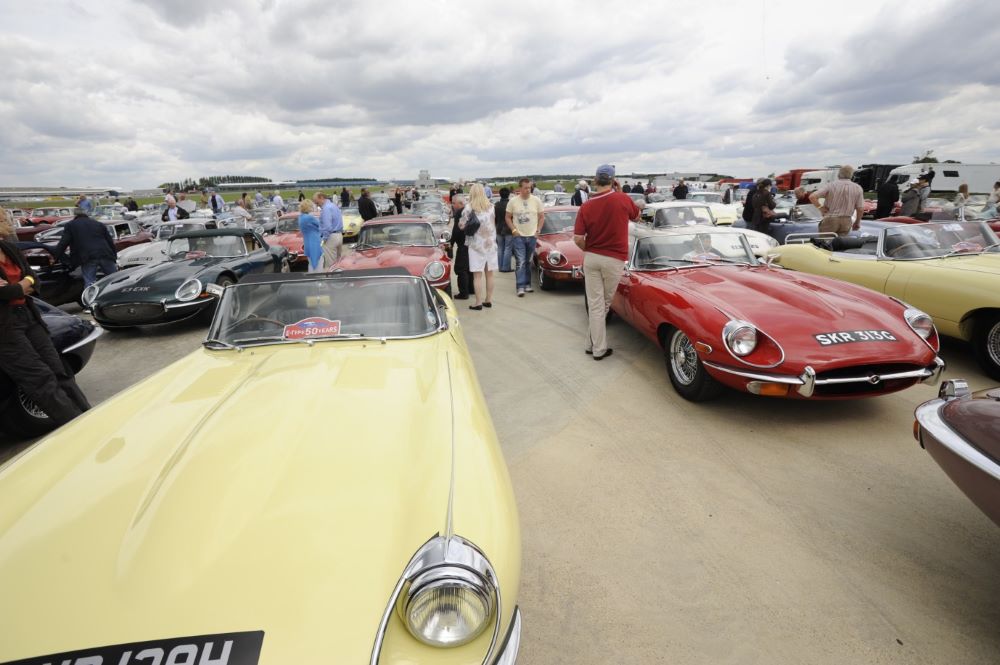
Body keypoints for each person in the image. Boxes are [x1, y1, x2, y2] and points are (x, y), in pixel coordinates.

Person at [0, 218, 91, 427]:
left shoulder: (8, 248)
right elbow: (7, 292)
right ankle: (78, 428)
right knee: (39, 378)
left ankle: (90, 416)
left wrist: (24, 283)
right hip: (5, 327)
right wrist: (21, 285)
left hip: (28, 315)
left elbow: (33, 277)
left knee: (59, 370)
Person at [573, 164, 640, 361]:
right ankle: (599, 349)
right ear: (613, 180)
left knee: (596, 304)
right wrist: (620, 192)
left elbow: (577, 238)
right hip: (614, 258)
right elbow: (636, 216)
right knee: (603, 305)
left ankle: (591, 344)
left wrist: (589, 249)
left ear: (595, 181)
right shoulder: (622, 199)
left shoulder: (586, 206)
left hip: (592, 257)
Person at [54, 207, 117, 288]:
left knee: (90, 282)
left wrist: (56, 257)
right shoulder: (98, 223)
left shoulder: (70, 225)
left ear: (75, 215)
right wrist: (114, 256)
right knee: (115, 278)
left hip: (87, 257)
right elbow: (110, 241)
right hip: (105, 253)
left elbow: (63, 243)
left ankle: (90, 295)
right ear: (86, 214)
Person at [459, 184, 498, 310]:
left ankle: (478, 302)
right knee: (490, 274)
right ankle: (488, 300)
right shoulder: (491, 207)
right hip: (490, 244)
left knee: (477, 276)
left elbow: (461, 225)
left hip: (476, 245)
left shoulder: (469, 208)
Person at [505, 177, 544, 297]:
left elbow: (541, 216)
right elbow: (507, 217)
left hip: (532, 236)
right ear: (520, 188)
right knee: (520, 261)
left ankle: (527, 284)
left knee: (528, 261)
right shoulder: (513, 201)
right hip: (519, 236)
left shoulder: (536, 200)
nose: (528, 190)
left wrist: (538, 230)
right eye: (526, 188)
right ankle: (520, 286)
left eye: (530, 187)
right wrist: (513, 230)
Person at [809, 165, 864, 236]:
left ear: (838, 175)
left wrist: (821, 208)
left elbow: (812, 197)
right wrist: (857, 222)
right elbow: (860, 208)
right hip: (847, 220)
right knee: (841, 242)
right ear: (851, 176)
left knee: (825, 241)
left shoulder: (831, 185)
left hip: (831, 219)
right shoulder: (858, 188)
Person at [449, 195, 473, 299]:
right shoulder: (471, 210)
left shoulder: (460, 212)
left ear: (460, 203)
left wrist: (451, 243)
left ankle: (463, 292)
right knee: (470, 268)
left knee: (461, 269)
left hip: (463, 244)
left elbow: (456, 230)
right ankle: (471, 289)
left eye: (454, 203)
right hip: (472, 244)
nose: (453, 205)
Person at [315, 192, 343, 267]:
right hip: (339, 235)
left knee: (331, 264)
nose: (317, 205)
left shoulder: (326, 208)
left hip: (330, 237)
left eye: (317, 202)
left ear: (321, 198)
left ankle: (333, 275)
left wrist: (324, 239)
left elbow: (327, 227)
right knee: (339, 262)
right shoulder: (334, 205)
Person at [297, 199, 323, 272]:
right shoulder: (309, 217)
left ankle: (312, 277)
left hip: (307, 242)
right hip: (314, 242)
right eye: (311, 206)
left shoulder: (301, 217)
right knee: (318, 263)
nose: (313, 207)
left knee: (311, 263)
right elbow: (321, 225)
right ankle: (318, 278)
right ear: (308, 207)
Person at [494, 187, 514, 273]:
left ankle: (500, 267)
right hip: (509, 229)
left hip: (498, 228)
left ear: (500, 194)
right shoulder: (511, 204)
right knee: (508, 248)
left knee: (500, 248)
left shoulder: (496, 205)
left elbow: (494, 218)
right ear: (508, 194)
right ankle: (506, 267)